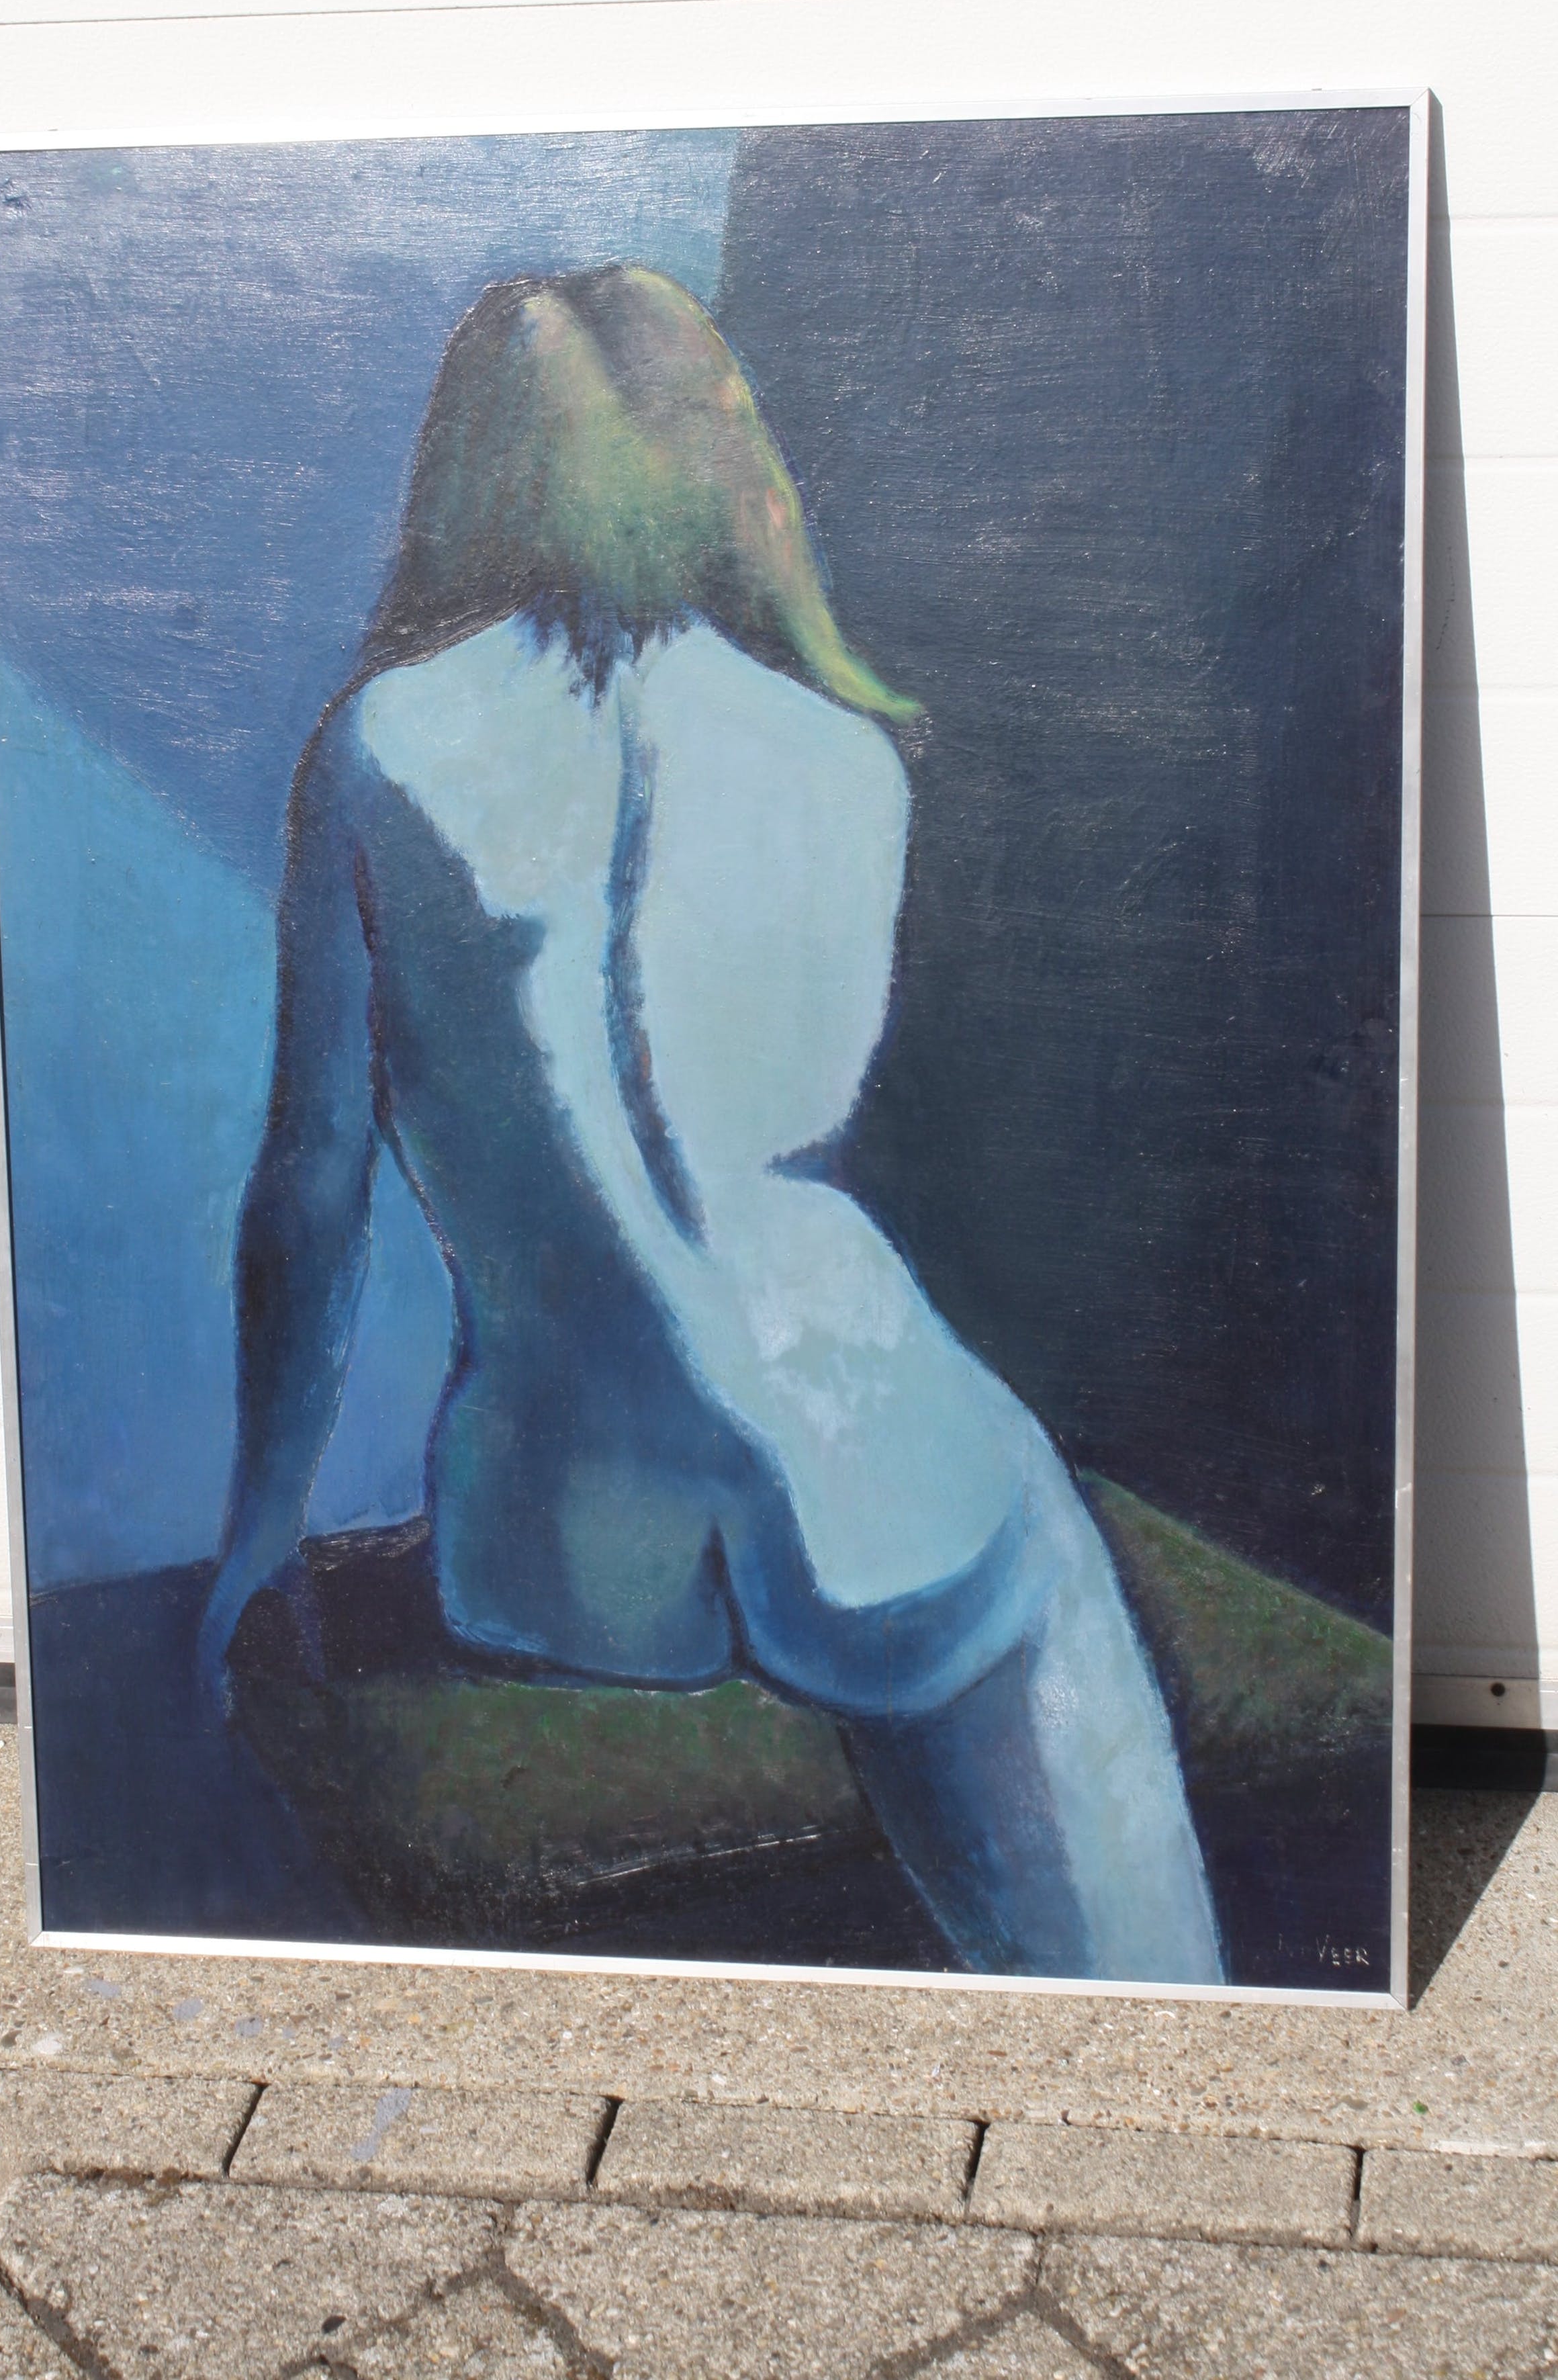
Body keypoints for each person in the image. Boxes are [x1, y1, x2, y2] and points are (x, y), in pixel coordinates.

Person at [197, 263, 1223, 1984]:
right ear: (714, 468)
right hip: (875, 1486)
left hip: (561, 1541)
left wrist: (256, 1545)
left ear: (464, 472)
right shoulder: (841, 759)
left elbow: (308, 1193)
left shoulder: (375, 749)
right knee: (1047, 1649)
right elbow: (785, 1141)